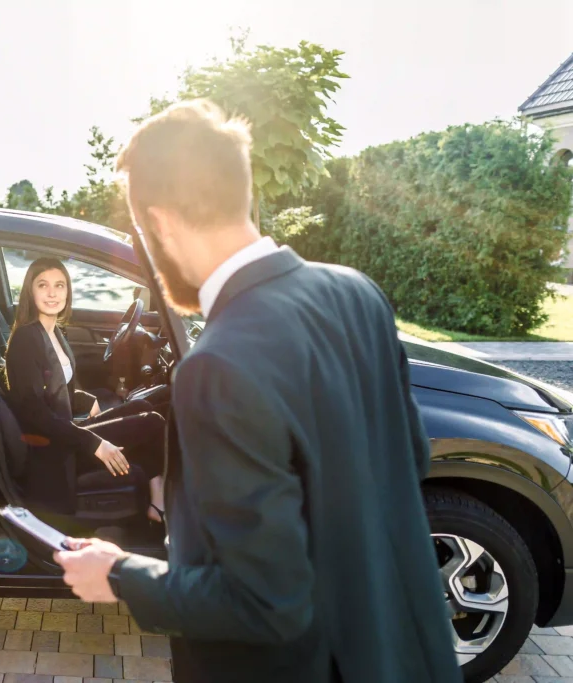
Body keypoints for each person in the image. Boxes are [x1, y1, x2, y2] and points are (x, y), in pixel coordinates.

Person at [53, 100, 461, 683]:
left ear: (160, 223)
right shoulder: (357, 294)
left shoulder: (217, 363)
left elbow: (267, 603)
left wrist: (117, 574)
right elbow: (408, 459)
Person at [4, 257, 166, 523]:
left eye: (60, 285)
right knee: (154, 422)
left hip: (63, 433)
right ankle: (158, 503)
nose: (52, 293)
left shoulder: (53, 332)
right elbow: (33, 412)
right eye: (42, 285)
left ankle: (154, 498)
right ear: (30, 292)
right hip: (53, 452)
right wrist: (94, 443)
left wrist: (84, 400)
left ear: (68, 291)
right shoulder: (26, 339)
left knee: (143, 407)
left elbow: (55, 389)